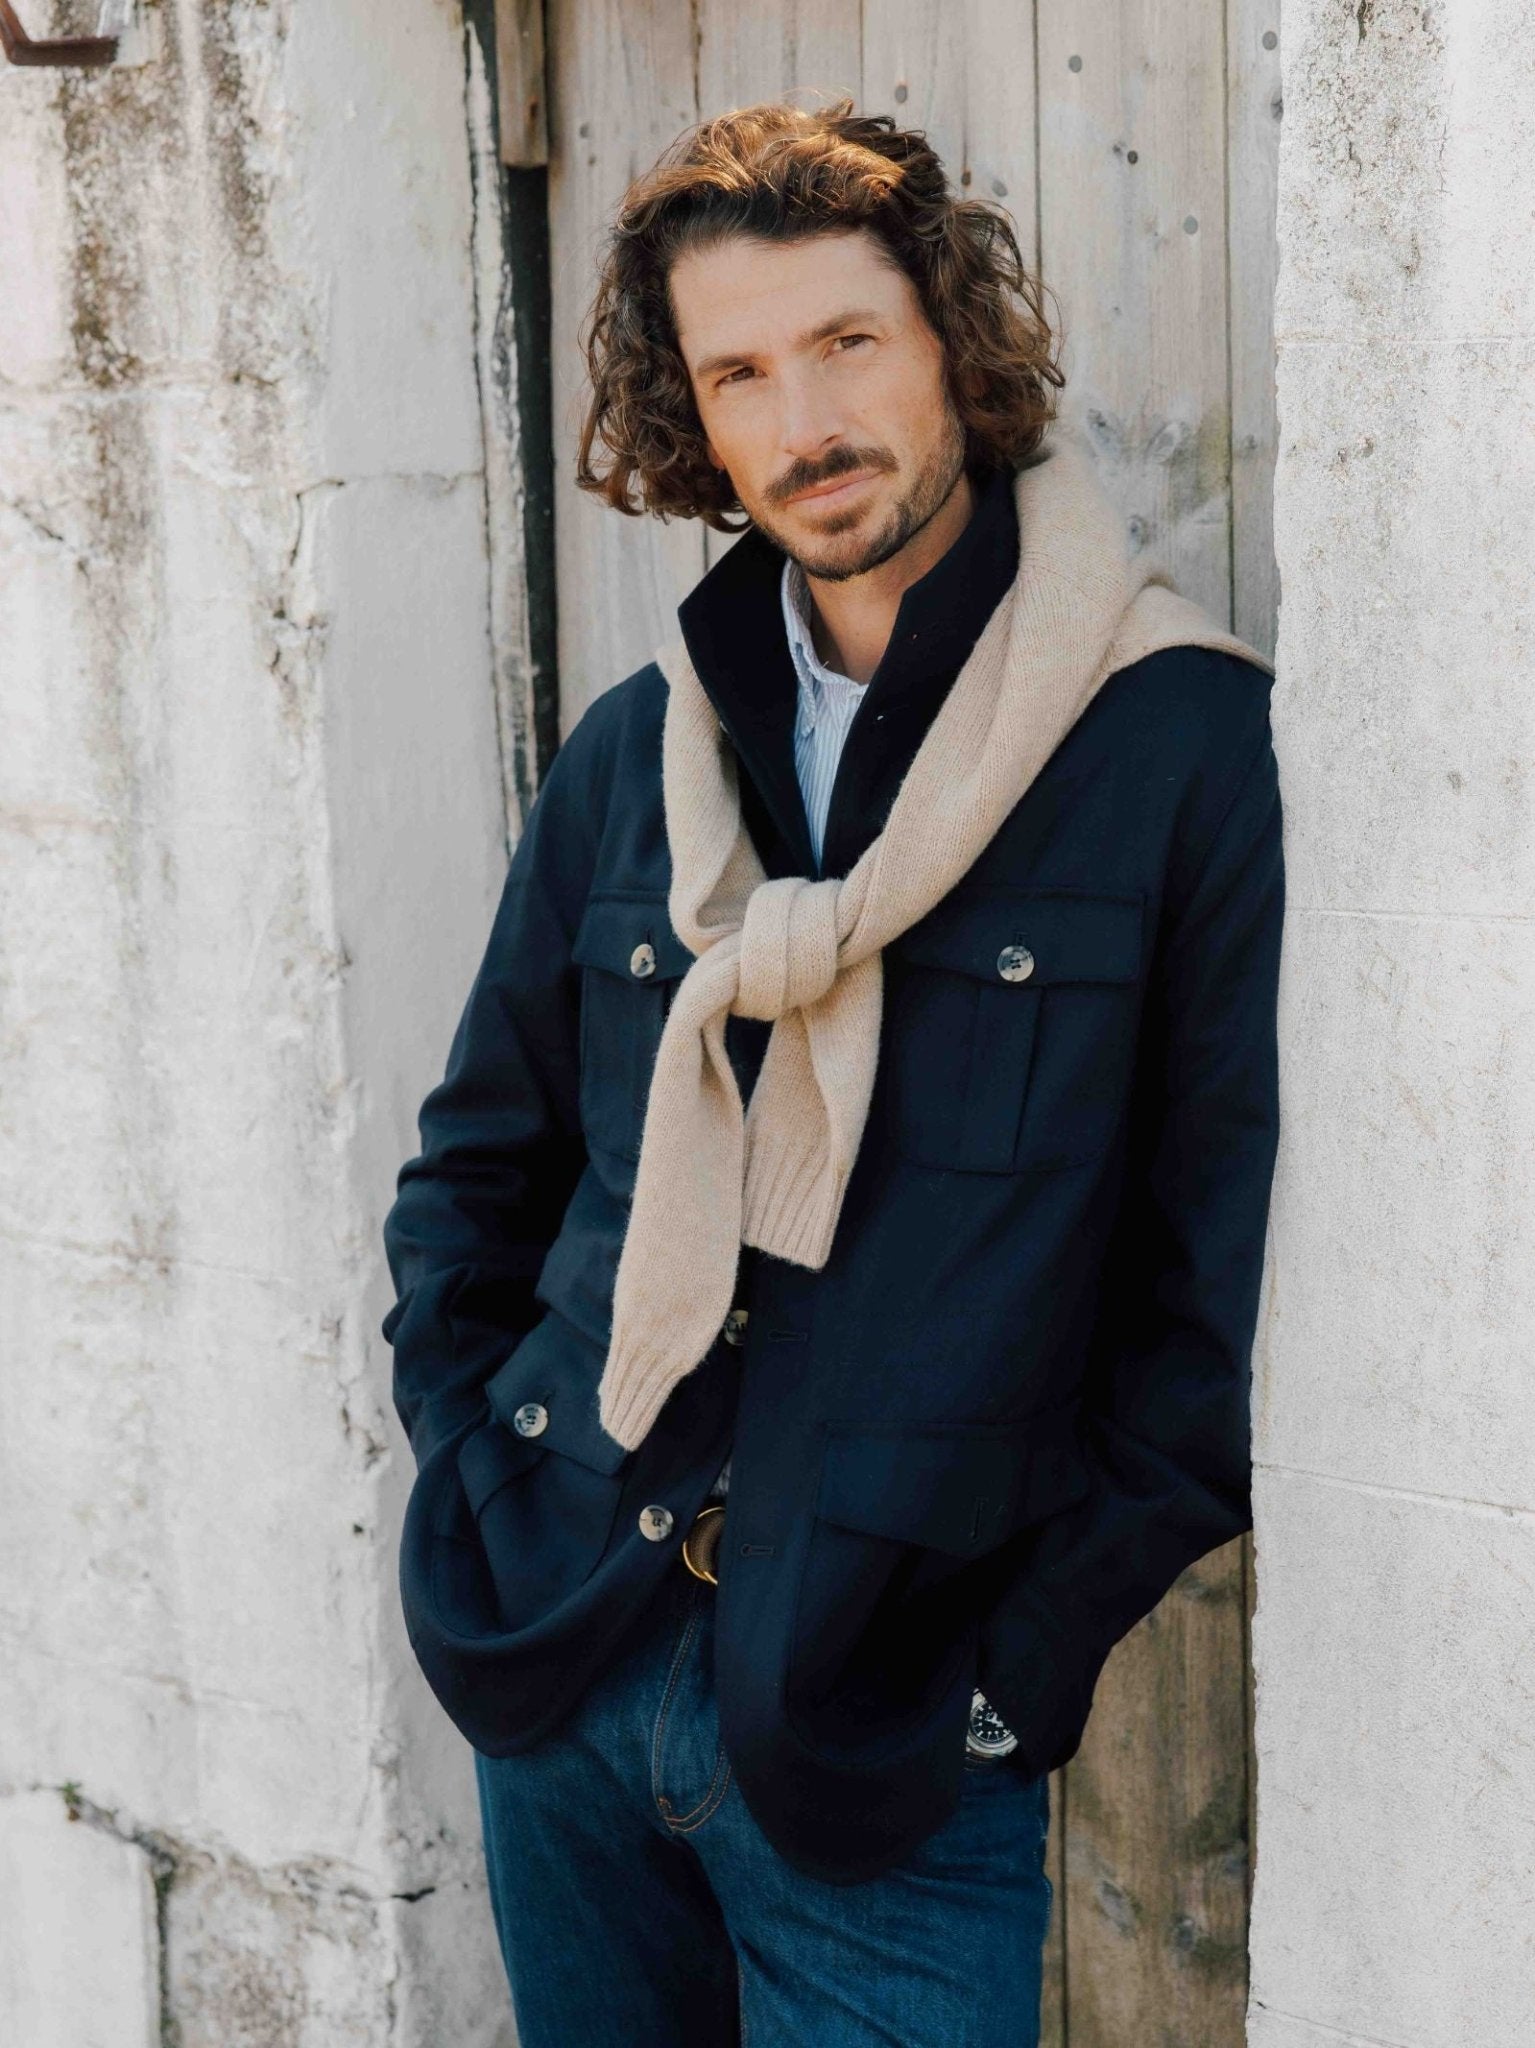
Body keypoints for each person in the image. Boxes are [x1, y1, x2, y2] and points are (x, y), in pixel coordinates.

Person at [382, 99, 1284, 2048]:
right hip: (570, 1656)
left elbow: (1213, 1312)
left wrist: (1002, 1680)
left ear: (955, 341)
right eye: (740, 373)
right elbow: (478, 1166)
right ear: (692, 420)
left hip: (881, 1738)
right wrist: (479, 1467)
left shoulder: (1182, 752)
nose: (805, 421)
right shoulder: (645, 751)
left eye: (848, 343)